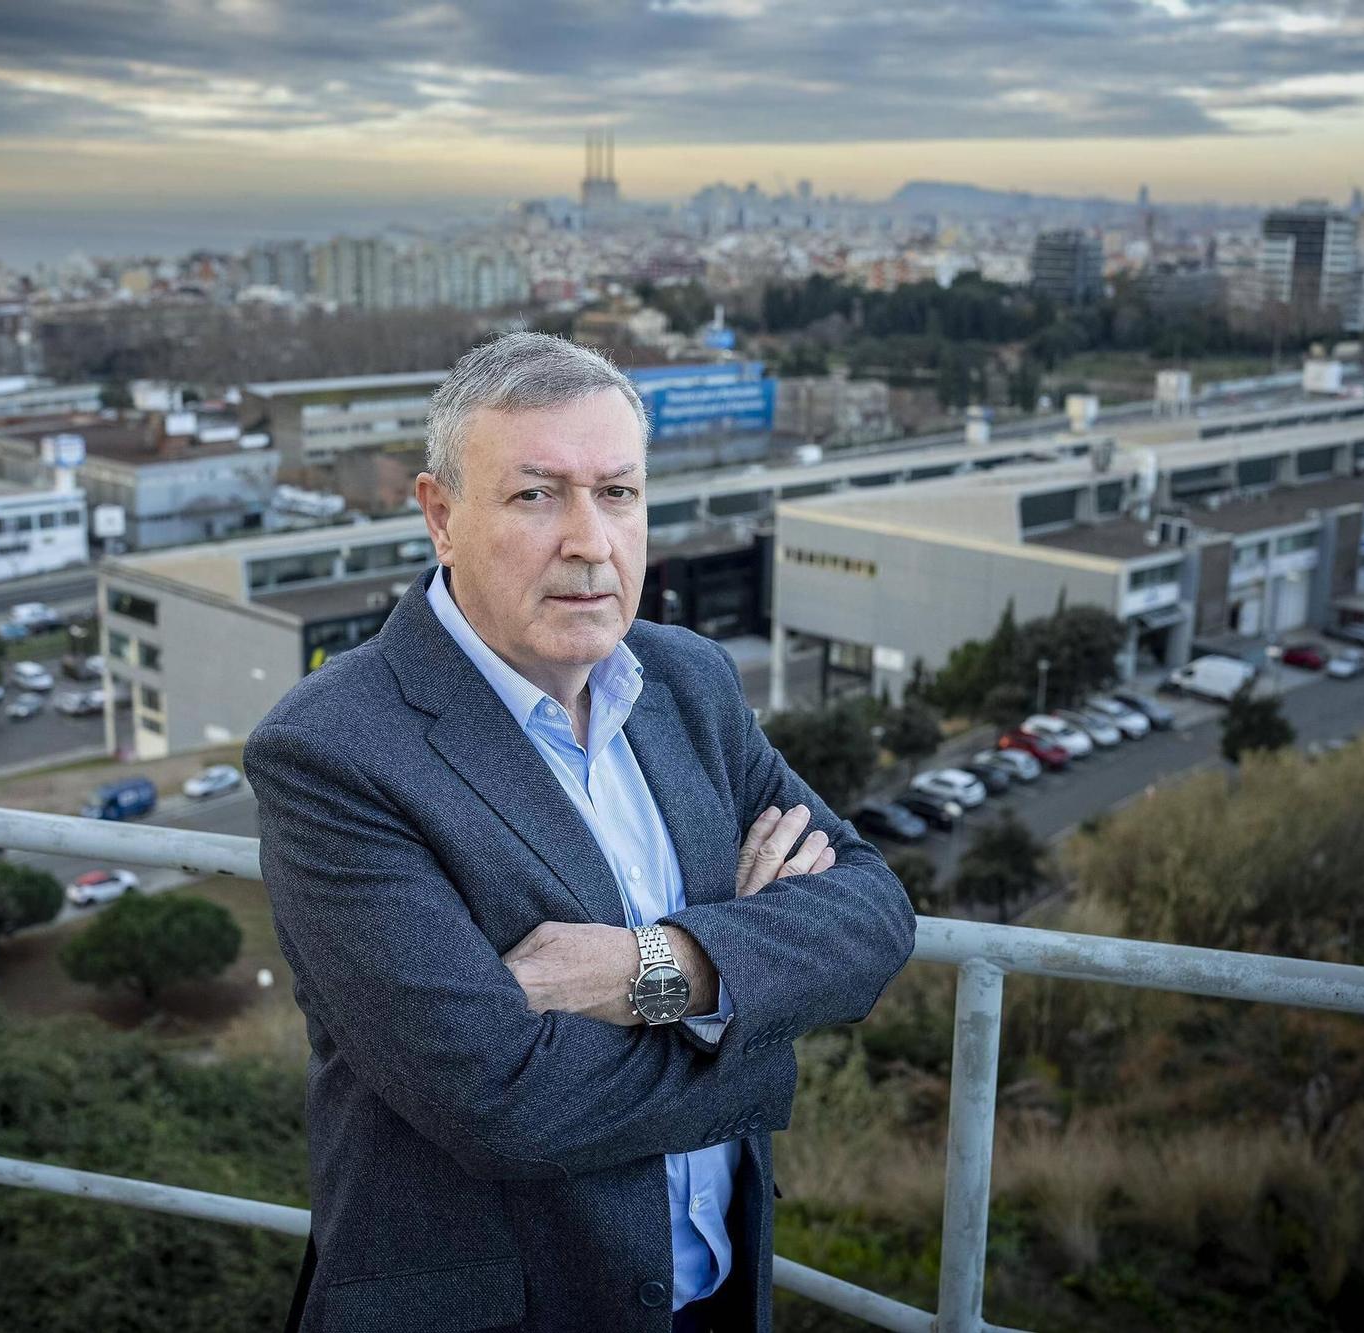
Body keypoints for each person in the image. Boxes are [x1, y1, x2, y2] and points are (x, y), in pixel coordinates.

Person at [245, 332, 917, 1333]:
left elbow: (869, 910)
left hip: (718, 1299)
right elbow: (502, 1099)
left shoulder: (687, 682)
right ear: (439, 516)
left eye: (617, 493)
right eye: (535, 495)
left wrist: (663, 965)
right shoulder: (333, 751)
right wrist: (762, 1036)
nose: (589, 541)